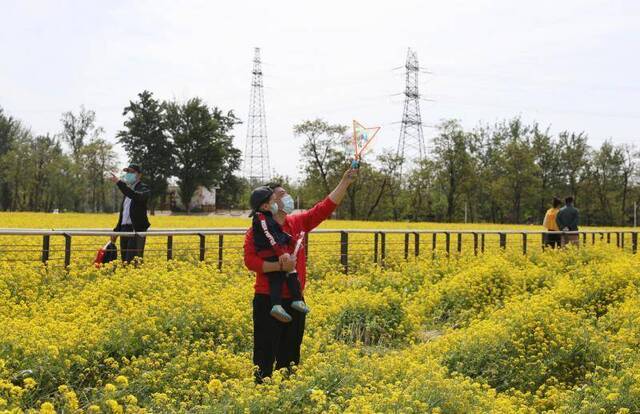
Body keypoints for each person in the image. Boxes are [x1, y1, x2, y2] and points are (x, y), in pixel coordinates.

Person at [244, 167, 357, 383]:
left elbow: (324, 208)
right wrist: (279, 266)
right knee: (265, 354)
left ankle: (286, 395)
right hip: (268, 299)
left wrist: (345, 182)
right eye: (281, 195)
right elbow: (250, 261)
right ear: (269, 203)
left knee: (291, 355)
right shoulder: (258, 229)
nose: (287, 198)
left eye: (287, 194)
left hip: (295, 300)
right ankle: (262, 394)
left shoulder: (297, 223)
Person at [249, 185, 309, 323]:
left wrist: (292, 241)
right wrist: (281, 254)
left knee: (291, 272)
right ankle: (277, 305)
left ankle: (296, 300)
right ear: (265, 206)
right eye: (273, 200)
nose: (276, 203)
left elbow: (280, 233)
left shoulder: (268, 217)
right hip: (268, 252)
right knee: (277, 277)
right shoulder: (261, 219)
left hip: (275, 251)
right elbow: (270, 236)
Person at [108, 164, 151, 263]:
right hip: (124, 229)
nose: (128, 174)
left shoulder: (144, 188)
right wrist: (116, 231)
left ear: (139, 175)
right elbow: (124, 215)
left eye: (132, 172)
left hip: (136, 229)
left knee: (132, 262)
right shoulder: (127, 192)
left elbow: (135, 196)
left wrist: (119, 183)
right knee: (124, 262)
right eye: (127, 172)